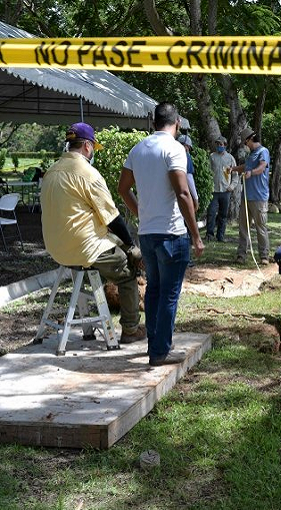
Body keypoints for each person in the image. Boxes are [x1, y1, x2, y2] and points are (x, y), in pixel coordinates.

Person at [40, 122, 145, 344]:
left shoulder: (50, 172)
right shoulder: (88, 174)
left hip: (56, 248)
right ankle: (130, 329)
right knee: (127, 270)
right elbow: (113, 218)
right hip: (85, 248)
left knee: (115, 243)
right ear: (87, 146)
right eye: (93, 148)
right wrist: (132, 247)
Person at [118, 102, 204, 367]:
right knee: (168, 294)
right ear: (176, 122)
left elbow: (123, 189)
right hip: (171, 233)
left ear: (155, 121)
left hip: (147, 234)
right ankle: (160, 352)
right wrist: (196, 235)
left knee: (154, 290)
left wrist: (142, 213)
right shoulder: (174, 149)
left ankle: (155, 344)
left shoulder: (138, 148)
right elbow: (182, 193)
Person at [231, 127, 270, 265]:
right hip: (246, 196)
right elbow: (245, 167)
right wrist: (233, 169)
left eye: (245, 142)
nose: (245, 145)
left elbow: (261, 167)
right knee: (243, 227)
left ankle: (264, 256)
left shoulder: (263, 152)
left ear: (250, 139)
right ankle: (241, 255)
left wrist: (251, 173)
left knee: (260, 227)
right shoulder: (251, 155)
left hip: (259, 197)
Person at [207, 135, 237, 242]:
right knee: (211, 212)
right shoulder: (212, 157)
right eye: (218, 144)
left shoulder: (230, 158)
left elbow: (235, 175)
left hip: (225, 191)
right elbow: (208, 172)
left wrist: (232, 186)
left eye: (221, 144)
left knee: (223, 215)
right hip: (214, 190)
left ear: (225, 145)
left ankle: (220, 236)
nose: (219, 146)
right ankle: (209, 235)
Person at [177, 134, 199, 214]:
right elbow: (189, 178)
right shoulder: (185, 156)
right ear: (185, 145)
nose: (188, 150)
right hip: (181, 194)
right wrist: (196, 199)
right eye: (188, 147)